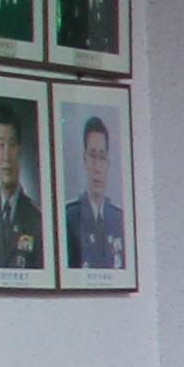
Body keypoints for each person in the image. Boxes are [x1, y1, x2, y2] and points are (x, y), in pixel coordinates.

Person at [0, 101, 47, 270]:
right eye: (1, 145)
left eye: (12, 145)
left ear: (19, 150)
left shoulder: (36, 219)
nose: (6, 156)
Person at [58, 109, 126, 273]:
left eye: (102, 157)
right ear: (84, 160)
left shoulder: (119, 220)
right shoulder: (70, 218)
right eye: (92, 156)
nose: (97, 167)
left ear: (108, 163)